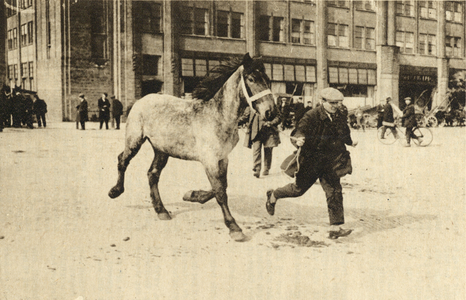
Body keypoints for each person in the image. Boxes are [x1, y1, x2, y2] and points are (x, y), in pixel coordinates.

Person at [265, 87, 357, 239]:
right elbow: (298, 131)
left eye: (338, 103)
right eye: (332, 103)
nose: (335, 106)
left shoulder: (339, 114)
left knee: (334, 191)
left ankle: (335, 228)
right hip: (311, 160)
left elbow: (344, 131)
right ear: (323, 102)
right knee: (298, 190)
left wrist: (350, 141)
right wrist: (299, 139)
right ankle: (273, 195)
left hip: (330, 161)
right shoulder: (311, 116)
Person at [238, 106, 281, 178]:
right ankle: (257, 169)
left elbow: (279, 116)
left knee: (268, 150)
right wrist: (235, 122)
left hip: (269, 132)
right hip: (256, 132)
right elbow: (245, 117)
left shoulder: (270, 103)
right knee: (256, 150)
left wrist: (272, 123)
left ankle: (266, 168)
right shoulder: (251, 106)